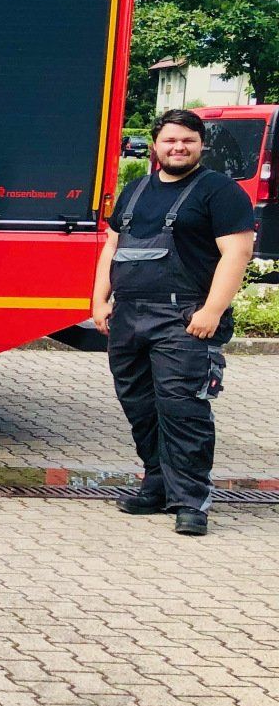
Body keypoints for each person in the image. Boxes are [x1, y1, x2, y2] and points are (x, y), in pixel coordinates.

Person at [93, 108, 255, 536]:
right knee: (141, 407)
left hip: (184, 319)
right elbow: (112, 247)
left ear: (202, 145)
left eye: (188, 140)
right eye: (170, 140)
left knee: (182, 410)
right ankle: (157, 485)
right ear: (155, 145)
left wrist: (212, 310)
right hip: (129, 316)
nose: (178, 147)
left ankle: (190, 501)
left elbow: (237, 253)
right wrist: (99, 300)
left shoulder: (219, 192)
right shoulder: (135, 190)